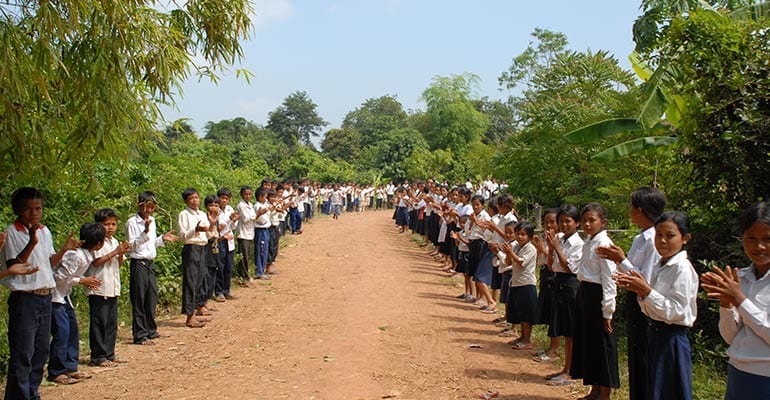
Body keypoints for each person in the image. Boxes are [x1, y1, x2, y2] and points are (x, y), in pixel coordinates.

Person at [2, 187, 80, 398]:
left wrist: (64, 250)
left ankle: (32, 392)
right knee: (23, 352)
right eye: (29, 209)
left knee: (40, 351)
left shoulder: (44, 231)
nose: (34, 213)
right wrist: (31, 242)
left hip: (45, 295)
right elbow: (14, 264)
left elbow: (48, 263)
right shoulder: (12, 233)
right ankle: (19, 395)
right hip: (25, 297)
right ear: (18, 210)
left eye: (38, 208)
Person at [617, 211, 697, 400]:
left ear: (685, 238)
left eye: (670, 236)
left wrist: (647, 292)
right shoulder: (661, 264)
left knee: (669, 390)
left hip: (672, 339)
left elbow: (676, 311)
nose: (662, 241)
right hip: (655, 334)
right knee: (655, 389)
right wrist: (642, 293)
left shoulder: (682, 269)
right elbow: (649, 306)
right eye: (658, 235)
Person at [596, 187, 666, 400]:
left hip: (646, 303)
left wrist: (621, 259)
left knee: (644, 358)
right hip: (634, 299)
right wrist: (618, 260)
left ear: (640, 210)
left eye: (631, 206)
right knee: (636, 358)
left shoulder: (654, 240)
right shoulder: (640, 238)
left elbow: (645, 279)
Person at [701, 202, 770, 400]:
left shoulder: (737, 288)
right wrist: (726, 303)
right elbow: (731, 337)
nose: (759, 246)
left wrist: (739, 299)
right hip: (739, 373)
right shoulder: (741, 277)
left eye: (767, 239)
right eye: (751, 238)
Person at [569, 203, 619, 400]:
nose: (587, 224)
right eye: (585, 221)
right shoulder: (589, 241)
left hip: (598, 296)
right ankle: (594, 389)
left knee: (603, 345)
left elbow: (609, 279)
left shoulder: (604, 244)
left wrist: (608, 311)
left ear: (603, 222)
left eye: (592, 220)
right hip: (586, 293)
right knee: (590, 343)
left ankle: (605, 393)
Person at [48, 222, 105, 385]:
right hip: (55, 296)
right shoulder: (75, 255)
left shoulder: (87, 253)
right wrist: (83, 280)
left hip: (65, 296)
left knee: (72, 330)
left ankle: (70, 367)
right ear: (99, 243)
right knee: (61, 333)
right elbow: (59, 277)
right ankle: (56, 371)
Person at [126, 191, 177, 345]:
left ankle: (150, 330)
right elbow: (131, 245)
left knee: (151, 297)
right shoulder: (132, 222)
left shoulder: (152, 220)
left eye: (152, 207)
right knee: (139, 299)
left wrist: (161, 239)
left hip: (149, 262)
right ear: (139, 205)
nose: (148, 210)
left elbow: (151, 243)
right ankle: (140, 334)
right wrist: (145, 232)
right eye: (146, 206)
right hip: (138, 263)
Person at [85, 209, 130, 367]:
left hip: (112, 287)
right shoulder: (97, 242)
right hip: (99, 286)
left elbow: (119, 263)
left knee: (111, 322)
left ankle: (109, 353)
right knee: (99, 322)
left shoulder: (115, 241)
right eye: (106, 224)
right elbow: (96, 262)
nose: (110, 227)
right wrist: (115, 252)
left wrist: (120, 253)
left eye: (113, 224)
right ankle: (98, 356)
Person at [544, 204, 584, 385]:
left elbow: (570, 267)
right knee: (561, 325)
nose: (564, 225)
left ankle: (570, 372)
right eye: (561, 222)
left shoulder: (579, 244)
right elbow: (551, 266)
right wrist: (552, 248)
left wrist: (557, 248)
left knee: (571, 331)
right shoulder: (560, 239)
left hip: (571, 284)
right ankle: (565, 369)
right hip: (559, 281)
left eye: (568, 221)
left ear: (577, 223)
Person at [177, 188, 216, 328]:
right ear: (186, 201)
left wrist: (211, 223)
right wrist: (195, 229)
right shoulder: (184, 214)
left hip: (202, 248)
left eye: (196, 197)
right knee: (190, 281)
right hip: (191, 248)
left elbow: (209, 234)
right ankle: (189, 315)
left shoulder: (202, 214)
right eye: (191, 198)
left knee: (200, 279)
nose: (194, 201)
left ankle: (197, 309)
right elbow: (182, 235)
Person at [502, 221, 538, 350]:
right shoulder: (516, 247)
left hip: (526, 283)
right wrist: (507, 253)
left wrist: (510, 253)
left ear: (529, 236)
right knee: (520, 312)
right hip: (516, 282)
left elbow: (521, 262)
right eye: (518, 234)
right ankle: (522, 336)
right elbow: (508, 262)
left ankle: (527, 339)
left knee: (527, 313)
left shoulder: (530, 248)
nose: (520, 237)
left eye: (523, 234)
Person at [531, 208, 561, 362]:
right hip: (544, 272)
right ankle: (551, 347)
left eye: (552, 222)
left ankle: (555, 349)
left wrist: (543, 247)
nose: (549, 225)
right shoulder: (545, 236)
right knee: (549, 311)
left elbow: (555, 258)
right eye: (546, 222)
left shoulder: (559, 239)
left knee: (555, 313)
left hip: (554, 275)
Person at [215, 188, 238, 301]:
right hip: (220, 240)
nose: (223, 200)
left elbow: (233, 227)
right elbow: (218, 227)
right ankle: (219, 291)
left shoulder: (230, 209)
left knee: (228, 267)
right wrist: (229, 220)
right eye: (222, 198)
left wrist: (234, 220)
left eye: (226, 198)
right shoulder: (215, 211)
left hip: (229, 240)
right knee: (220, 266)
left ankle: (226, 290)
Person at [235, 186, 256, 285]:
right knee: (244, 256)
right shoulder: (241, 206)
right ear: (242, 195)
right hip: (243, 233)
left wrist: (255, 216)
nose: (248, 196)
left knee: (247, 255)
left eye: (249, 194)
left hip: (249, 232)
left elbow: (251, 218)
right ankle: (244, 276)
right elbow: (245, 219)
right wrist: (257, 215)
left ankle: (245, 274)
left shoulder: (250, 205)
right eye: (245, 194)